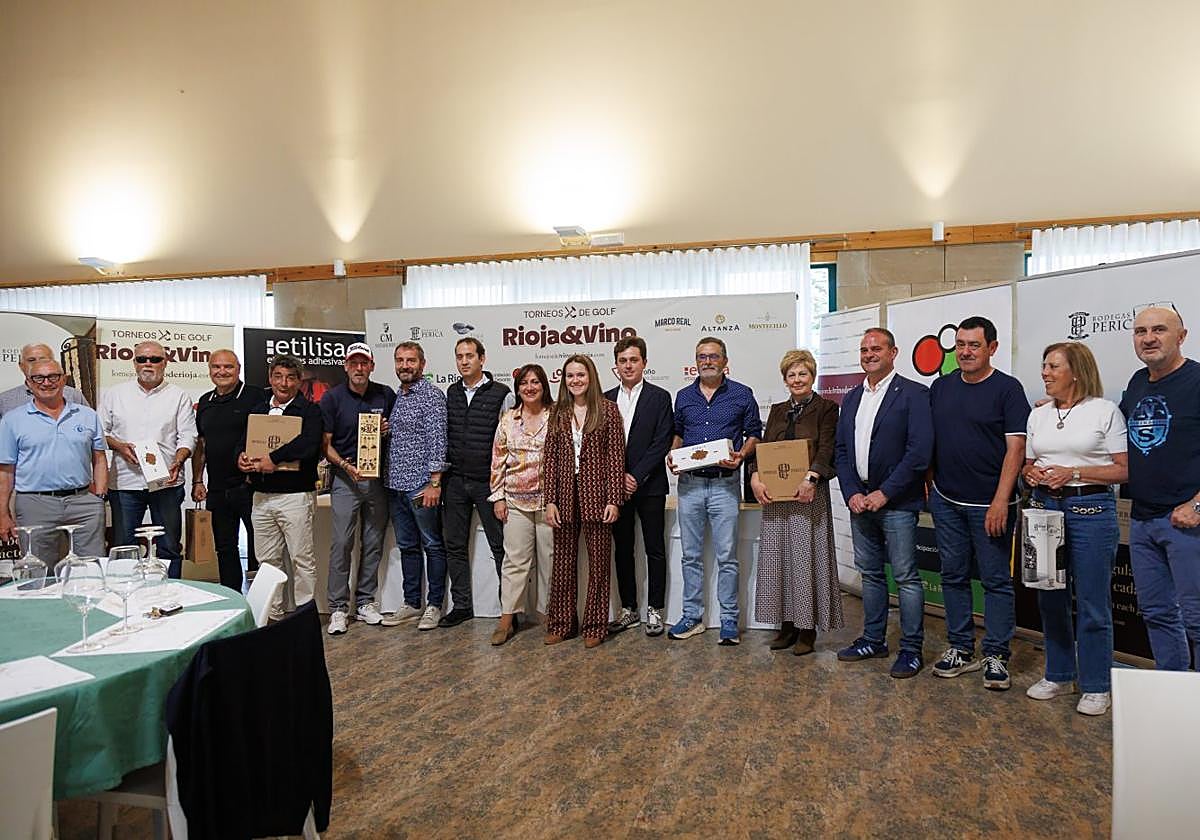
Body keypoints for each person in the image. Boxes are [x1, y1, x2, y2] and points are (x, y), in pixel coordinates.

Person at [1022, 341, 1127, 716]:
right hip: (1044, 508)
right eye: (1044, 366)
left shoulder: (1104, 411)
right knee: (1050, 597)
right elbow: (1029, 463)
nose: (1045, 373)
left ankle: (1097, 684)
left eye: (1053, 367)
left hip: (1091, 509)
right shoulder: (1039, 415)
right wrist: (1030, 472)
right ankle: (1059, 674)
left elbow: (1123, 469)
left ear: (1076, 372)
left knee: (1092, 603)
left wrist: (1076, 472)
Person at [928, 315, 1030, 691]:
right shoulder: (940, 388)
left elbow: (1015, 449)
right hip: (946, 500)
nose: (966, 351)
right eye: (961, 345)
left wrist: (1001, 501)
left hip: (991, 505)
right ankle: (960, 648)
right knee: (953, 576)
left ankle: (997, 655)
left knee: (996, 581)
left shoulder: (1008, 389)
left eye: (974, 345)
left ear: (992, 348)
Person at [833, 329, 933, 677]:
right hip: (860, 501)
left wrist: (884, 492)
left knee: (905, 576)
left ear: (894, 352)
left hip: (897, 502)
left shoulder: (915, 394)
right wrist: (851, 493)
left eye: (876, 348)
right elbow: (842, 452)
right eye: (864, 349)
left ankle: (911, 649)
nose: (869, 354)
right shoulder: (851, 397)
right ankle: (873, 639)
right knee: (871, 575)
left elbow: (919, 453)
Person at [1120, 305, 1200, 671]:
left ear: (1181, 336)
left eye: (1158, 330)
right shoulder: (1137, 382)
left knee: (1197, 621)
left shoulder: (1197, 381)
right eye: (1140, 331)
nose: (1148, 338)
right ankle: (1176, 693)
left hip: (1188, 521)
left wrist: (1197, 506)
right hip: (1143, 520)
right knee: (1156, 614)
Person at [667, 336, 762, 645]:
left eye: (713, 356)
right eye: (701, 357)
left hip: (725, 486)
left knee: (727, 557)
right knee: (690, 556)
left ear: (724, 361)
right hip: (691, 485)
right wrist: (673, 455)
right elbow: (678, 434)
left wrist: (741, 455)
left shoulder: (742, 394)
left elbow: (754, 434)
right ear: (696, 361)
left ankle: (729, 621)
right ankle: (692, 617)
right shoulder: (683, 396)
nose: (706, 361)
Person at [749, 349, 843, 656]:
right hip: (776, 498)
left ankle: (807, 628)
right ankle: (785, 625)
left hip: (808, 495)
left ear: (812, 376)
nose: (797, 379)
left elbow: (827, 447)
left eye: (803, 373)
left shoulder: (827, 408)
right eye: (791, 375)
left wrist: (811, 478)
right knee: (779, 561)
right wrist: (755, 477)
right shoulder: (777, 410)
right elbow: (763, 448)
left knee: (805, 561)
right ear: (785, 379)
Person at [542, 355, 625, 648]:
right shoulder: (557, 412)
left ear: (591, 377)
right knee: (563, 563)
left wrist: (614, 499)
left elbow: (616, 458)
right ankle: (562, 623)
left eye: (580, 375)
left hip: (598, 497)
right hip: (563, 498)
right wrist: (549, 500)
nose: (575, 381)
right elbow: (549, 460)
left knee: (599, 565)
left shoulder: (608, 410)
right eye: (569, 376)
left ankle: (595, 625)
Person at [99, 340, 198, 578]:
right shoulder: (115, 394)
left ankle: (170, 594)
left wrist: (179, 459)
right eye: (142, 359)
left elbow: (188, 435)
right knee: (123, 547)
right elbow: (101, 432)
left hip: (166, 481)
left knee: (169, 546)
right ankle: (124, 596)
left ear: (165, 363)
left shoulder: (178, 396)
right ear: (134, 363)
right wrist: (120, 447)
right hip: (125, 483)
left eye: (154, 359)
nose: (148, 364)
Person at [239, 354, 324, 624]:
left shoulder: (310, 410)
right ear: (270, 378)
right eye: (278, 376)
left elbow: (308, 445)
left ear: (299, 381)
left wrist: (273, 459)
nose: (283, 383)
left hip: (295, 496)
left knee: (302, 558)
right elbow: (243, 440)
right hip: (261, 496)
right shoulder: (258, 408)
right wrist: (240, 458)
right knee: (266, 560)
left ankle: (303, 615)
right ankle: (271, 612)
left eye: (290, 377)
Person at [320, 343, 395, 634]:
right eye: (354, 363)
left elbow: (393, 431)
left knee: (373, 542)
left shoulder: (385, 394)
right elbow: (325, 445)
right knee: (341, 543)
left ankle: (365, 602)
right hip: (345, 479)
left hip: (377, 480)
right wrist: (346, 466)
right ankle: (338, 608)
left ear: (372, 366)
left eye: (364, 363)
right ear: (345, 366)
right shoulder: (332, 398)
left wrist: (387, 429)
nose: (359, 368)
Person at [0, 359, 107, 560]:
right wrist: (2, 513)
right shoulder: (12, 420)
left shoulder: (87, 415)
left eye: (52, 376)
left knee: (91, 569)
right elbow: (6, 472)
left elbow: (99, 459)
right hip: (34, 504)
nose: (46, 382)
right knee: (38, 574)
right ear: (29, 382)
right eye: (38, 377)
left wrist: (99, 497)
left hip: (83, 503)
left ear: (63, 379)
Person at [440, 337, 513, 628]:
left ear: (482, 359)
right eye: (459, 356)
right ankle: (461, 606)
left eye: (470, 355)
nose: (464, 361)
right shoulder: (452, 392)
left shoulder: (502, 393)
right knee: (454, 545)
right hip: (456, 480)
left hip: (488, 482)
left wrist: (501, 483)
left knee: (500, 547)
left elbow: (509, 440)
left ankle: (508, 611)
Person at [604, 337, 674, 637]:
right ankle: (629, 609)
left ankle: (655, 610)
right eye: (623, 360)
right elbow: (602, 446)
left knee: (655, 550)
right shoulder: (605, 399)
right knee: (622, 550)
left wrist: (636, 476)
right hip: (615, 488)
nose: (628, 365)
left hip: (651, 487)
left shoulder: (660, 397)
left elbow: (662, 441)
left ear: (644, 362)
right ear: (616, 366)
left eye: (634, 360)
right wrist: (618, 477)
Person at [384, 341, 448, 631]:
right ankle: (412, 603)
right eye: (400, 360)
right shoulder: (399, 395)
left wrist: (435, 482)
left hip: (421, 485)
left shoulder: (431, 396)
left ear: (422, 365)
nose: (405, 365)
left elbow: (438, 441)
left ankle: (434, 605)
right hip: (395, 485)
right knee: (408, 546)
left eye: (411, 360)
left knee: (432, 545)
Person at [488, 364, 554, 645]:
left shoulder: (557, 417)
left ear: (544, 386)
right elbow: (497, 461)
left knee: (550, 560)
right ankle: (507, 619)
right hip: (514, 501)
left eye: (536, 382)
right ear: (518, 388)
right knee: (515, 562)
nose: (530, 387)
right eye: (525, 383)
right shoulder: (507, 419)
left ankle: (550, 615)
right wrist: (498, 496)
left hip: (550, 502)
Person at [193, 349, 266, 591]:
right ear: (210, 370)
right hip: (216, 488)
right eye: (216, 367)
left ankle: (260, 601)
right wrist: (197, 481)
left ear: (238, 369)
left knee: (259, 547)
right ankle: (233, 597)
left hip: (250, 487)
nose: (222, 372)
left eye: (228, 367)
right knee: (224, 547)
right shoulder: (205, 402)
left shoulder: (256, 397)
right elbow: (201, 445)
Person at [0, 342, 90, 418]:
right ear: (21, 366)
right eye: (31, 360)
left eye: (43, 359)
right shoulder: (4, 400)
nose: (38, 364)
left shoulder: (73, 395)